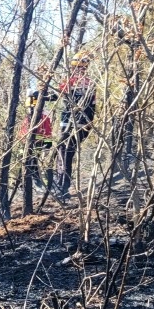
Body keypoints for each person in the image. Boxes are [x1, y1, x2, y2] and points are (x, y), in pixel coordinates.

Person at [52, 53, 96, 202]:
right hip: (83, 124)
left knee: (64, 154)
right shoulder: (90, 83)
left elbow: (56, 95)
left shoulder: (71, 81)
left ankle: (62, 189)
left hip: (71, 124)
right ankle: (62, 188)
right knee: (66, 154)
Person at [19, 89, 54, 188]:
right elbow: (23, 131)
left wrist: (47, 145)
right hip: (26, 143)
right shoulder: (28, 118)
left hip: (37, 142)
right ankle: (23, 182)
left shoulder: (43, 117)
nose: (30, 109)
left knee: (32, 163)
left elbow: (47, 131)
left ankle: (37, 184)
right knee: (25, 162)